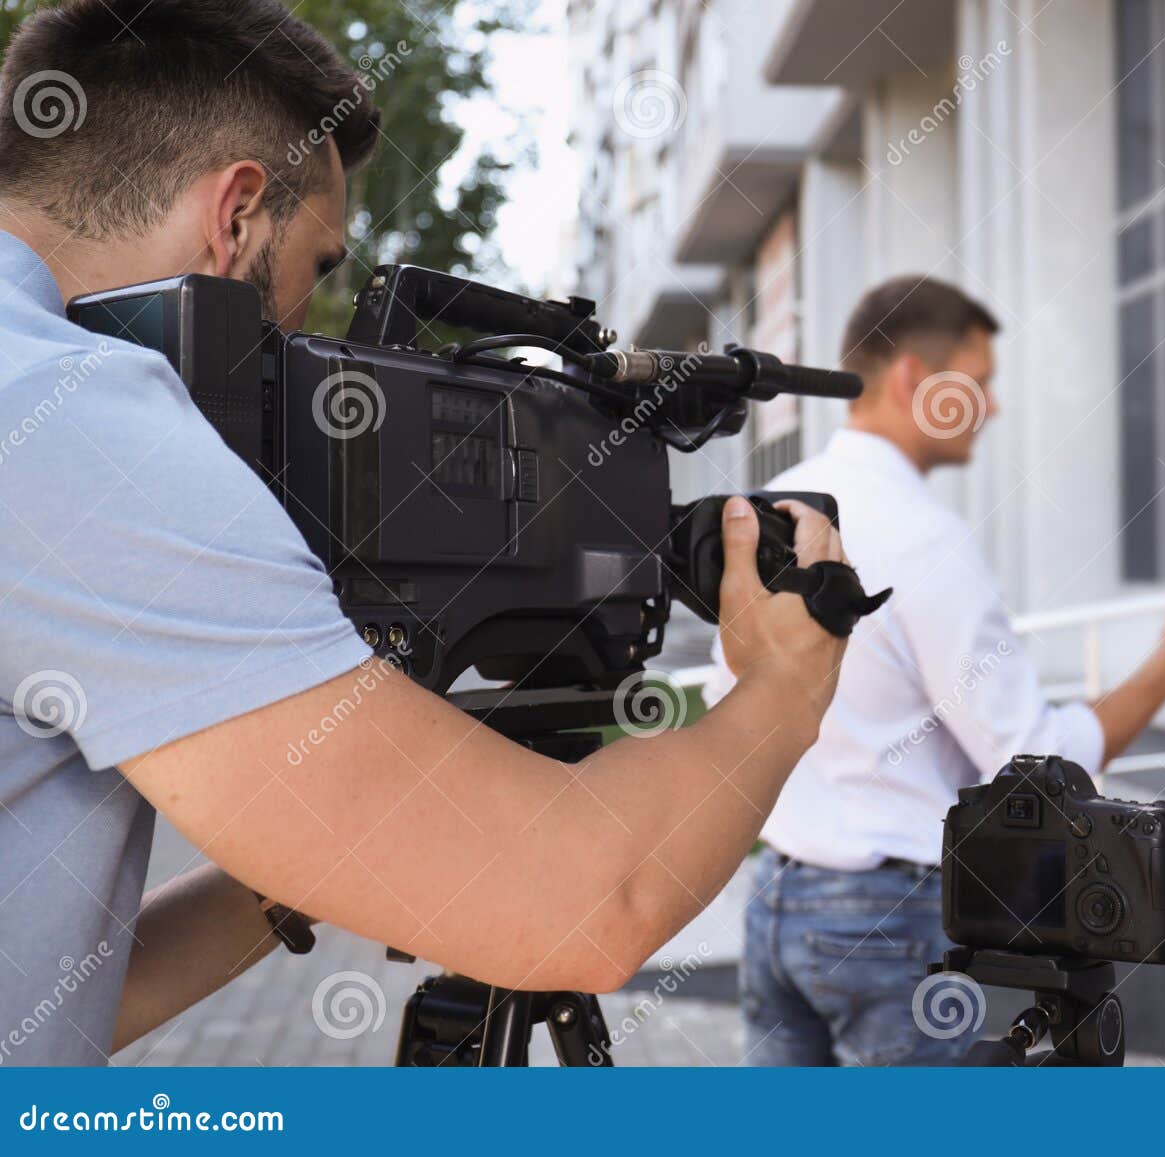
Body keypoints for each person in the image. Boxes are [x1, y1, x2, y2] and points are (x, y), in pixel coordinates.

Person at [0, 0, 848, 1066]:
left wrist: (355, 823)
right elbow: (587, 904)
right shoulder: (75, 418)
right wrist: (782, 688)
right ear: (236, 218)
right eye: (315, 269)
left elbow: (61, 1000)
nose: (307, 328)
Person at [706, 276, 1165, 1066]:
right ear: (914, 381)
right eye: (980, 383)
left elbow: (729, 700)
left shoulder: (767, 509)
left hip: (776, 896)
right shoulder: (926, 537)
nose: (990, 406)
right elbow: (1033, 761)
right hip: (890, 918)